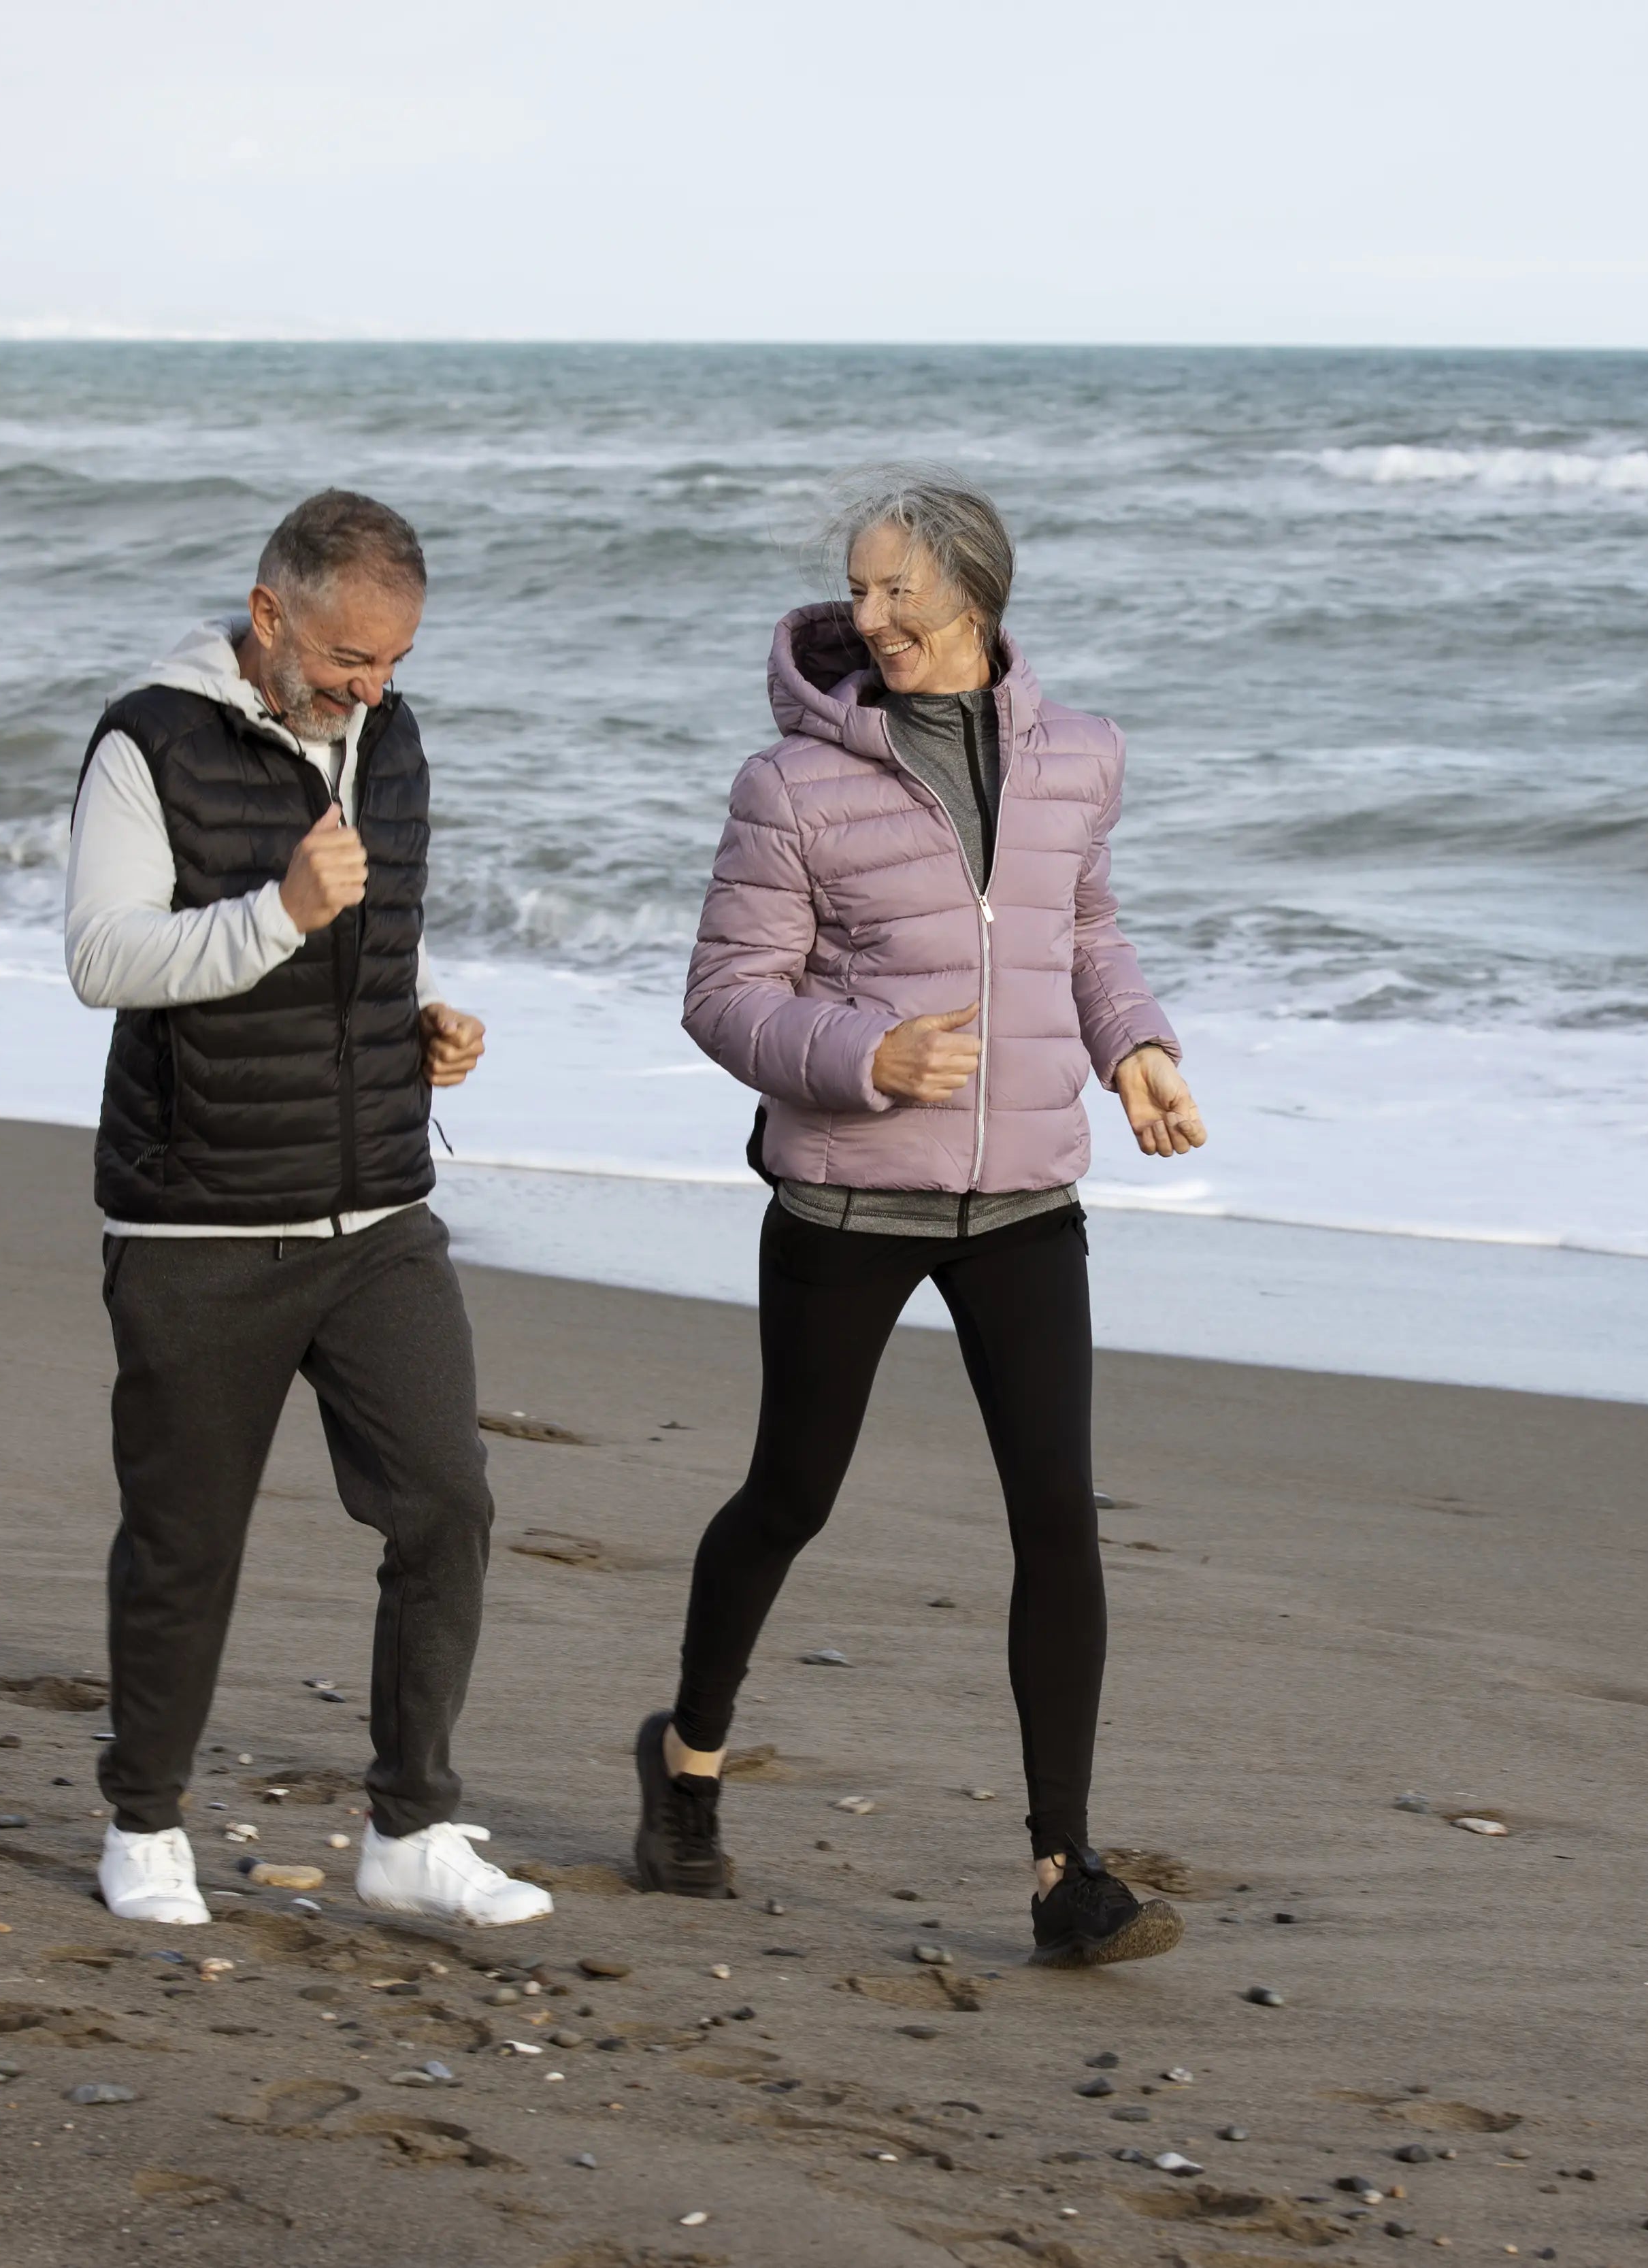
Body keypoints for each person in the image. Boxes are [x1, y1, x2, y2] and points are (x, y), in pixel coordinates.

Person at [638, 467, 1208, 1965]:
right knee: (791, 1495)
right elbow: (724, 994)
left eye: (898, 587)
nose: (871, 612)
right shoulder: (792, 782)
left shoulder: (1081, 756)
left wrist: (1135, 1047)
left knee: (1057, 1514)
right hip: (847, 1192)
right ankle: (686, 1758)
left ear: (974, 591)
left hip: (1024, 1194)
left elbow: (1082, 930)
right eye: (859, 587)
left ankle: (1065, 1870)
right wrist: (865, 1057)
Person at [65, 488, 549, 1931]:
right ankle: (144, 1820)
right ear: (270, 615)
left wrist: (421, 1017)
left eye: (395, 661)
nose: (372, 689)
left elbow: (375, 938)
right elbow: (103, 957)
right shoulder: (148, 741)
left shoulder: (391, 740)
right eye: (349, 659)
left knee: (448, 1503)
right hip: (199, 1219)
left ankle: (412, 1828)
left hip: (379, 1209)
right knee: (185, 1540)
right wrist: (279, 910)